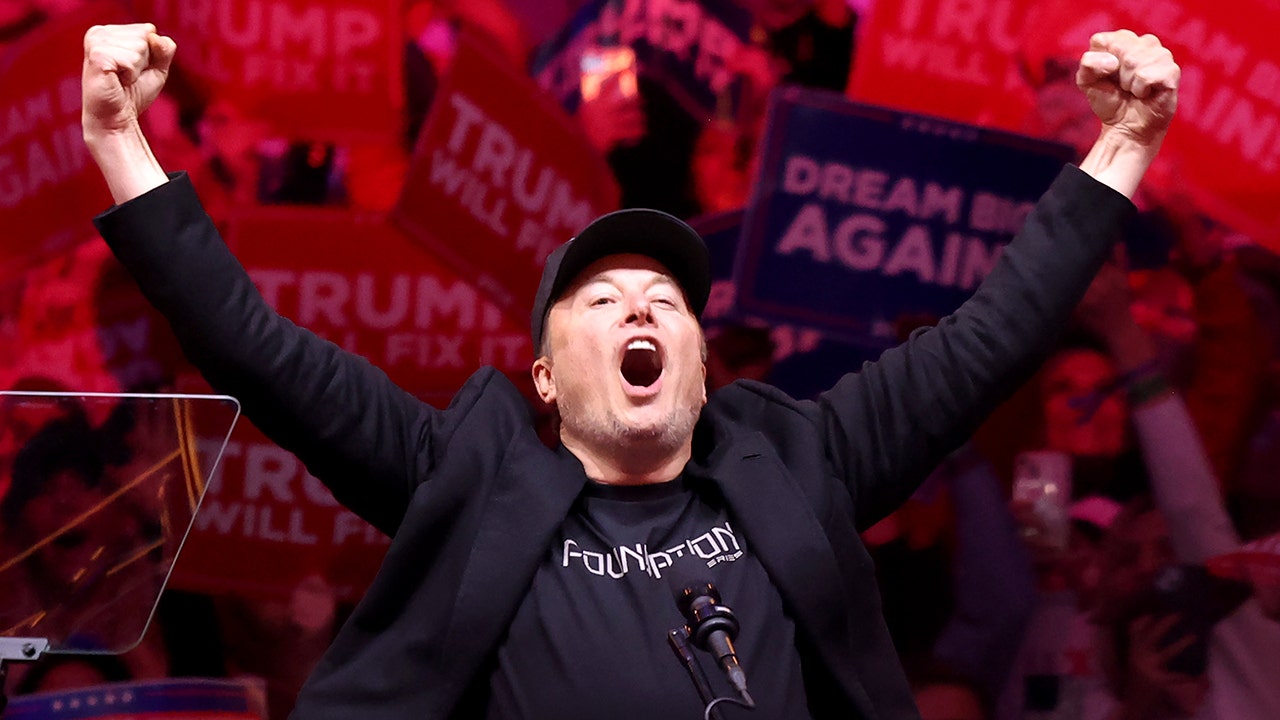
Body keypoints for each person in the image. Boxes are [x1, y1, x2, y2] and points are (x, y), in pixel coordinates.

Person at [80, 21, 1179, 720]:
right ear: (544, 379)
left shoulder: (804, 458)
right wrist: (124, 141)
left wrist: (1123, 143)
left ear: (699, 368)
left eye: (666, 299)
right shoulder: (462, 475)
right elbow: (252, 346)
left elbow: (989, 336)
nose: (641, 305)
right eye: (600, 300)